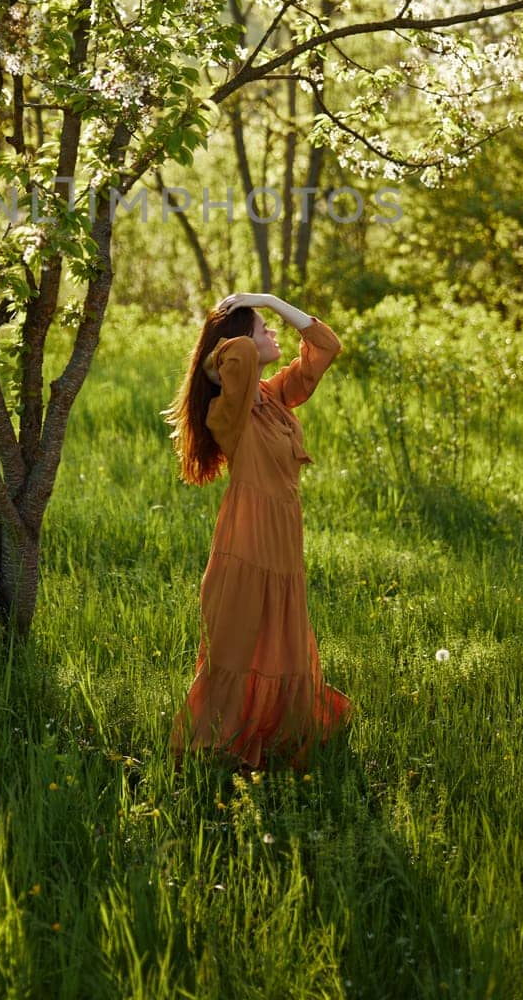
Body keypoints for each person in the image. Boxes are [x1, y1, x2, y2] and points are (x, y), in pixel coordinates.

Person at [161, 291, 353, 773]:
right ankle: (216, 746)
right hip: (246, 542)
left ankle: (272, 735)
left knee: (280, 642)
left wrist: (266, 300)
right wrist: (231, 334)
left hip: (283, 542)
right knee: (237, 645)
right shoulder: (231, 409)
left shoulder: (271, 396)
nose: (273, 334)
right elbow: (237, 354)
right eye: (263, 327)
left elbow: (325, 347)